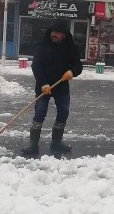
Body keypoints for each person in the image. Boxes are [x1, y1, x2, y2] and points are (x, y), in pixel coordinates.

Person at [22, 19, 83, 155]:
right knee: (40, 111)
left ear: (64, 35)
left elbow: (78, 66)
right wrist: (43, 83)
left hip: (61, 85)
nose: (54, 34)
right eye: (53, 32)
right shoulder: (42, 46)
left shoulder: (70, 48)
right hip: (44, 86)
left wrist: (72, 72)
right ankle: (33, 144)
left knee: (63, 111)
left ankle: (56, 143)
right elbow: (36, 66)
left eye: (58, 33)